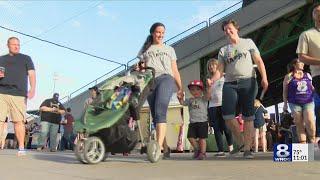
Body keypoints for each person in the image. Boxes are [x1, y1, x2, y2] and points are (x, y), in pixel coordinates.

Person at [210, 19, 268, 159]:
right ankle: (242, 142)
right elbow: (220, 70)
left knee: (248, 115)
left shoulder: (248, 42)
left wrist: (264, 77)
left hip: (248, 81)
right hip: (230, 83)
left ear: (236, 29)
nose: (228, 31)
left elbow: (258, 60)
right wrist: (212, 80)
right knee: (227, 115)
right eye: (225, 30)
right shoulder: (223, 50)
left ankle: (247, 149)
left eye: (230, 28)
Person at [137, 22, 183, 159]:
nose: (161, 35)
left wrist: (180, 87)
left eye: (163, 32)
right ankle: (166, 146)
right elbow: (142, 68)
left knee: (160, 110)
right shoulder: (145, 49)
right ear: (152, 32)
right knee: (156, 115)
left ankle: (157, 149)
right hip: (150, 81)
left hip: (166, 79)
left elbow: (174, 70)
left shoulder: (169, 49)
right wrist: (139, 68)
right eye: (158, 32)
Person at [0, 37, 36, 156]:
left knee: (18, 121)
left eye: (18, 45)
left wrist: (32, 88)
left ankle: (21, 147)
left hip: (18, 94)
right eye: (14, 44)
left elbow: (32, 74)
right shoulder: (1, 59)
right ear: (8, 45)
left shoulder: (25, 58)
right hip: (2, 92)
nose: (16, 46)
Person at [296, 3, 320, 144]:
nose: (319, 13)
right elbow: (301, 56)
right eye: (316, 11)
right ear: (313, 16)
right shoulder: (306, 35)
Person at [283, 58, 316, 143]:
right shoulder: (288, 76)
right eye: (300, 62)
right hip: (294, 103)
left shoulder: (308, 75)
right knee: (299, 124)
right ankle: (303, 145)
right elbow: (285, 92)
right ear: (294, 65)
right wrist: (285, 104)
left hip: (308, 101)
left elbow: (312, 88)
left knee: (310, 121)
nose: (302, 64)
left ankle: (313, 141)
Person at [206, 58, 233, 157]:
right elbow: (208, 97)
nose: (211, 67)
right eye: (209, 66)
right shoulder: (208, 80)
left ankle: (231, 148)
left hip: (224, 105)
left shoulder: (224, 77)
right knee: (217, 129)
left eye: (213, 65)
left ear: (218, 66)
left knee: (226, 128)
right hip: (212, 106)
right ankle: (220, 150)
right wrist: (208, 87)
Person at [179, 80, 210, 160]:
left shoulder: (203, 99)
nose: (195, 91)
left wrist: (208, 87)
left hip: (202, 122)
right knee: (190, 137)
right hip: (193, 122)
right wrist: (180, 98)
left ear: (202, 90)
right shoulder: (190, 100)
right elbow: (182, 103)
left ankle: (202, 153)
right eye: (192, 90)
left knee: (202, 138)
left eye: (197, 89)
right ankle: (197, 149)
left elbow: (208, 95)